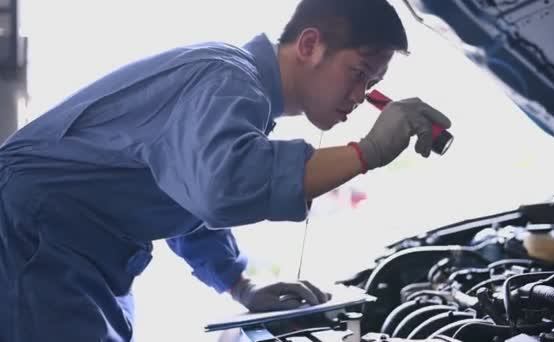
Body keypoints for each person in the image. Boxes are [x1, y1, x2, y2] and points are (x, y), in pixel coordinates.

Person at [0, 0, 451, 340]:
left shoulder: (238, 96)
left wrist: (241, 286)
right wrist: (367, 152)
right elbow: (224, 188)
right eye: (358, 73)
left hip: (59, 248)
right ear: (310, 45)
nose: (360, 95)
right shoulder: (225, 79)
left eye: (371, 85)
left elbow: (183, 199)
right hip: (33, 240)